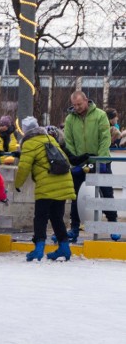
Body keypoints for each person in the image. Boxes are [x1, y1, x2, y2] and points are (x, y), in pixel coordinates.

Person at [15, 119, 77, 262]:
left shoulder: (29, 143)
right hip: (64, 180)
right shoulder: (49, 138)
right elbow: (64, 158)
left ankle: (38, 249)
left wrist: (18, 184)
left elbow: (24, 167)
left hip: (47, 183)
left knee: (40, 217)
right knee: (56, 217)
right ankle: (64, 248)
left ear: (25, 131)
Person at [63, 91, 118, 242]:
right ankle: (74, 228)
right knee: (75, 196)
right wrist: (77, 161)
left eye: (79, 104)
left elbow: (105, 138)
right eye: (74, 105)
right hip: (80, 163)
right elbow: (69, 141)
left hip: (101, 161)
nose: (77, 108)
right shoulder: (70, 119)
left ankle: (113, 226)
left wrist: (98, 161)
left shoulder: (100, 115)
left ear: (86, 101)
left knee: (107, 194)